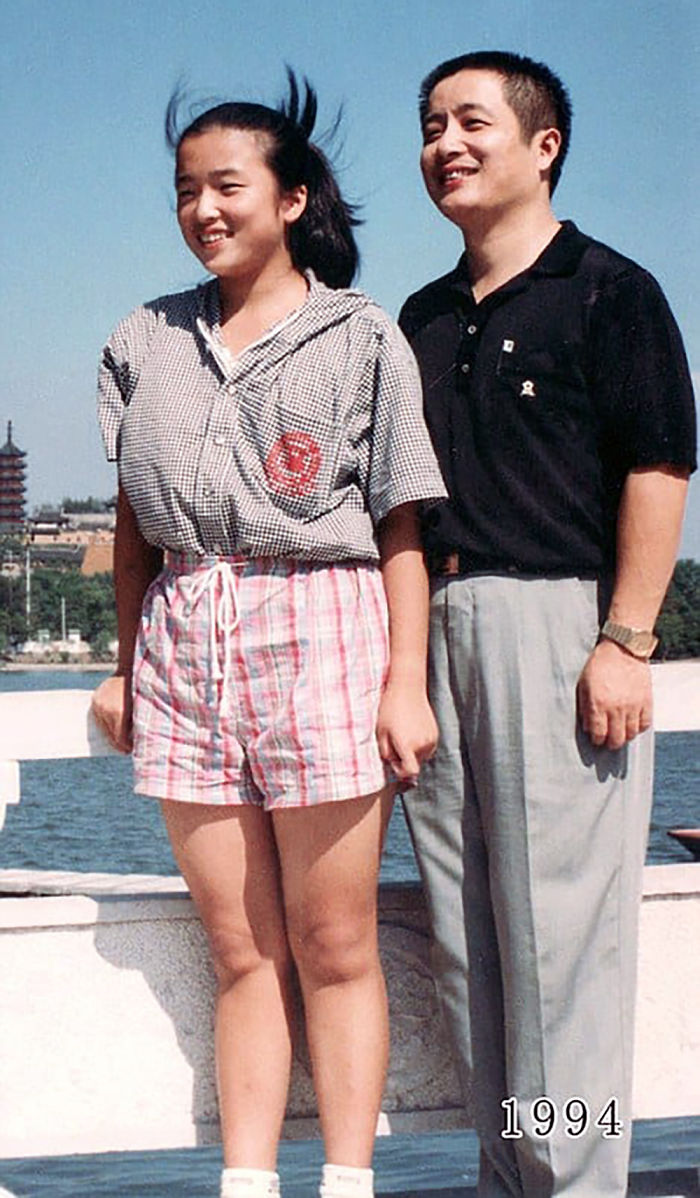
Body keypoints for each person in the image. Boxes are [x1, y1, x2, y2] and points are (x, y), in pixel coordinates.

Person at [91, 71, 446, 1198]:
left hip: (325, 628)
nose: (202, 208)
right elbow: (134, 531)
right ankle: (247, 1185)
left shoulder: (362, 337)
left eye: (226, 186)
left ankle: (346, 1182)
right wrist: (123, 664)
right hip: (186, 638)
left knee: (336, 948)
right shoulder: (143, 339)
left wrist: (405, 683)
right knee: (240, 952)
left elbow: (400, 525)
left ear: (290, 199)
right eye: (185, 190)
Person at [399, 50, 696, 1198]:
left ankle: (574, 1185)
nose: (444, 144)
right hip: (436, 633)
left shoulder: (610, 291)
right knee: (469, 946)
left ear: (543, 145)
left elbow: (658, 466)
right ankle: (511, 1179)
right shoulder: (419, 317)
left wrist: (624, 641)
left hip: (558, 630)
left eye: (469, 121)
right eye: (429, 126)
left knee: (560, 950)